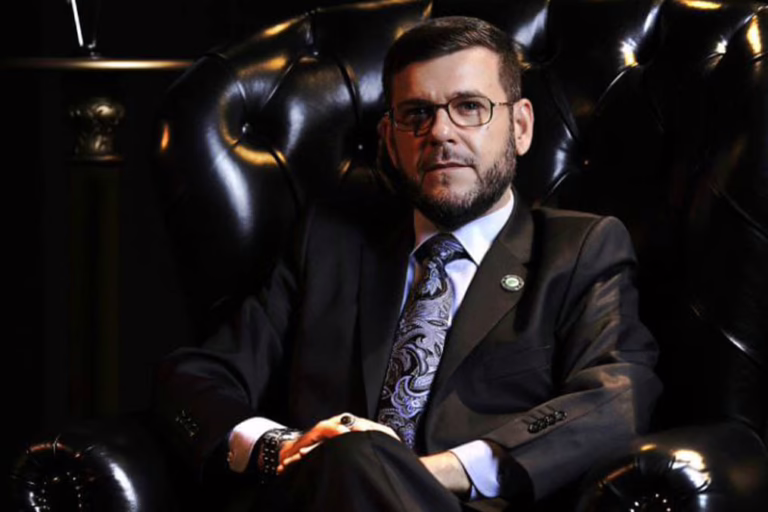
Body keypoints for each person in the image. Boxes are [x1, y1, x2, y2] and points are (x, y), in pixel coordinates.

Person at [155, 16, 662, 512]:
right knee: (347, 456)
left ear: (521, 126)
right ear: (390, 141)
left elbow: (620, 396)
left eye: (469, 107)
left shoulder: (580, 249)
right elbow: (193, 378)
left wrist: (422, 470)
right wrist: (283, 448)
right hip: (319, 495)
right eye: (417, 113)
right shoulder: (329, 244)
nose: (439, 132)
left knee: (357, 454)